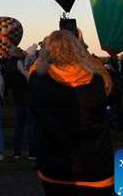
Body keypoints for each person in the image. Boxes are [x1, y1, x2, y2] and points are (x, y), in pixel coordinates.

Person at [28, 30, 114, 196]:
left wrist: (48, 51)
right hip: (96, 169)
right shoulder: (98, 82)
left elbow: (34, 69)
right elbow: (104, 73)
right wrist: (82, 50)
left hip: (54, 170)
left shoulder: (37, 81)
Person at [5, 46, 36, 159]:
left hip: (17, 97)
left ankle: (17, 151)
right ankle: (32, 152)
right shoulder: (18, 62)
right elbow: (26, 75)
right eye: (19, 51)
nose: (21, 52)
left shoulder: (8, 65)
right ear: (15, 53)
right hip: (26, 96)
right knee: (31, 124)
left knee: (19, 125)